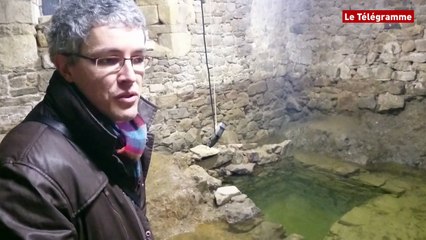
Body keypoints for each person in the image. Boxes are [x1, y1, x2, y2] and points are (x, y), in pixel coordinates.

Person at [0, 0, 157, 239]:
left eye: (137, 59)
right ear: (66, 68)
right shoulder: (27, 174)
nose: (130, 76)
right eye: (108, 60)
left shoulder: (126, 136)